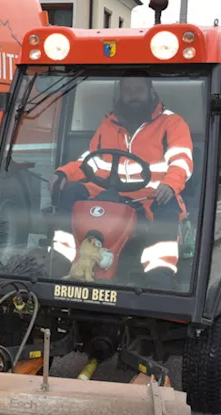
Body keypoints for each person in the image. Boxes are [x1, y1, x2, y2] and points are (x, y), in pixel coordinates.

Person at [48, 73, 194, 289]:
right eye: (127, 91)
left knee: (167, 208)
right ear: (120, 95)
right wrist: (63, 174)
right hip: (106, 191)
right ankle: (61, 262)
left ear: (151, 92)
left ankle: (159, 275)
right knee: (71, 193)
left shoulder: (172, 123)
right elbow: (90, 160)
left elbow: (181, 160)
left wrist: (171, 184)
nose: (133, 95)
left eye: (138, 90)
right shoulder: (108, 124)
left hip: (150, 195)